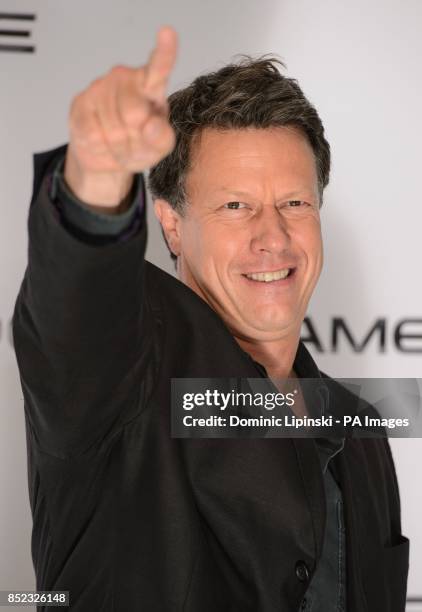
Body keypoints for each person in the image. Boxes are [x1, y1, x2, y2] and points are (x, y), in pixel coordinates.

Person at [12, 26, 409, 612]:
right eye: (235, 206)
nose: (272, 236)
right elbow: (76, 309)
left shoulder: (358, 429)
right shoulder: (131, 370)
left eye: (295, 203)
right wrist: (94, 184)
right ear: (171, 224)